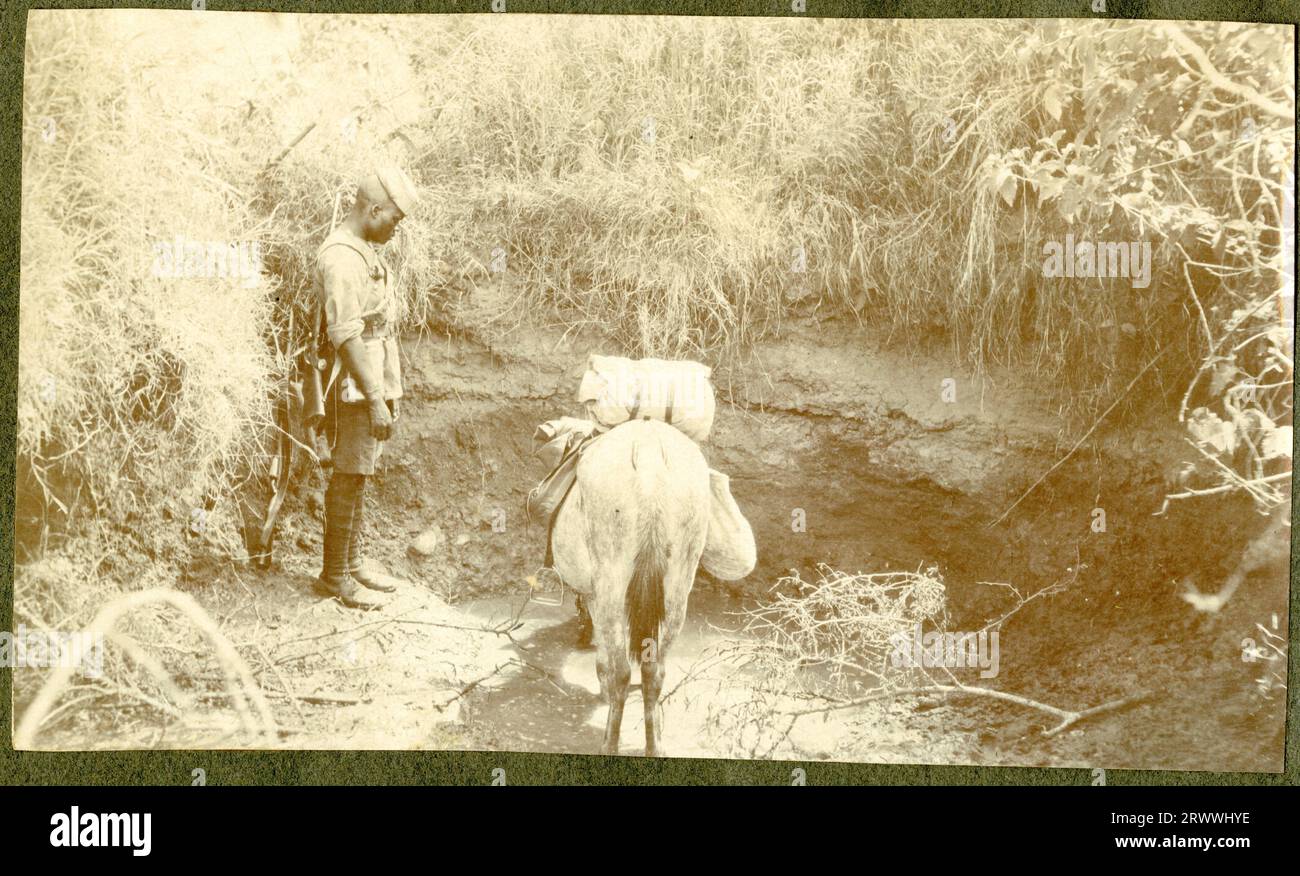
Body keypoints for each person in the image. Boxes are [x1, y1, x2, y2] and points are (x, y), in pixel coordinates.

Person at [311, 166, 420, 609]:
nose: (395, 230)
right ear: (373, 209)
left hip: (369, 374)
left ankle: (351, 563)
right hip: (352, 382)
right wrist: (374, 397)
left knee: (360, 471)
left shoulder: (362, 249)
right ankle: (333, 575)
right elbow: (345, 334)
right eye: (393, 220)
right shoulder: (341, 257)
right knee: (349, 470)